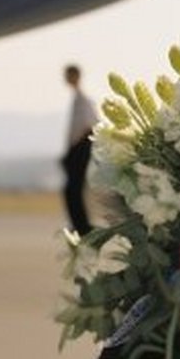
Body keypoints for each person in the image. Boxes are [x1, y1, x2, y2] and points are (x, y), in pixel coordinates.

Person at [62, 63, 98, 235]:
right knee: (73, 189)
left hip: (80, 146)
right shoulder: (78, 98)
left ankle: (82, 226)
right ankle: (80, 224)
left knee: (73, 189)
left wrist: (74, 147)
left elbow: (88, 124)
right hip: (77, 147)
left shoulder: (83, 100)